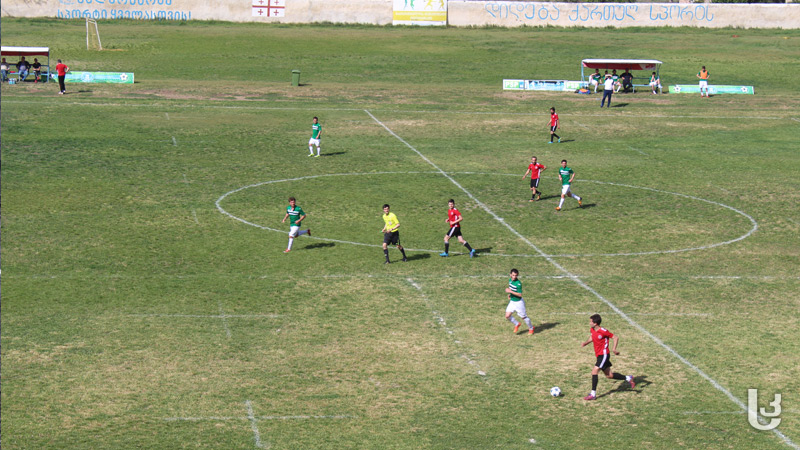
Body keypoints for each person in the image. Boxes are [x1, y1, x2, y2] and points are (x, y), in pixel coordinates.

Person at [580, 314, 635, 400]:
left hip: (604, 354)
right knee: (609, 375)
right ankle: (628, 378)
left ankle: (593, 394)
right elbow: (592, 336)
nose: (589, 323)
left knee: (594, 371)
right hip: (599, 355)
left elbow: (615, 337)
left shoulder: (603, 331)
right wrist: (586, 343)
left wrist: (614, 349)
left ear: (595, 323)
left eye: (590, 321)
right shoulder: (592, 329)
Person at [504, 269, 535, 335]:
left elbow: (520, 294)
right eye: (513, 275)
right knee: (507, 316)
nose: (514, 277)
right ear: (510, 275)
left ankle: (531, 328)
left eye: (516, 275)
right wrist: (510, 294)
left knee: (524, 317)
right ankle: (517, 324)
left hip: (518, 303)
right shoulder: (510, 280)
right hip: (512, 302)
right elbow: (512, 288)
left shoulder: (518, 283)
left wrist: (510, 292)